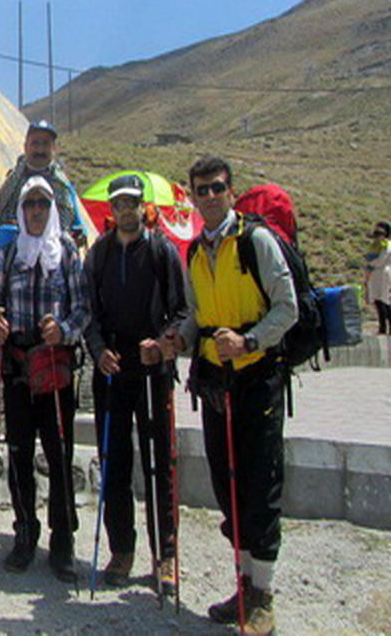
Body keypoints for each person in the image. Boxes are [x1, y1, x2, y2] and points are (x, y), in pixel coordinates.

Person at [163, 155, 297, 636]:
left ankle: (264, 597)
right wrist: (176, 338)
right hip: (217, 381)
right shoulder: (197, 250)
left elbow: (288, 309)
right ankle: (245, 587)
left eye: (218, 188)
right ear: (193, 195)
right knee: (228, 483)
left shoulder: (256, 242)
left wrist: (250, 342)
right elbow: (197, 312)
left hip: (257, 376)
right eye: (201, 189)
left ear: (230, 191)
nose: (211, 196)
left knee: (260, 484)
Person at [82, 174, 187, 592]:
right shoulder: (100, 254)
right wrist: (96, 350)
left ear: (145, 206)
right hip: (112, 366)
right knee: (115, 463)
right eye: (119, 203)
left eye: (132, 203)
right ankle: (121, 549)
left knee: (159, 462)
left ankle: (166, 554)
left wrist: (163, 344)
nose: (126, 210)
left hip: (151, 368)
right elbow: (87, 312)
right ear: (112, 208)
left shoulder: (162, 252)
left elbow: (181, 311)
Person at [0, 176, 91, 581]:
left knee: (59, 454)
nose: (35, 211)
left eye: (42, 204)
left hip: (55, 365)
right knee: (19, 454)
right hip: (17, 367)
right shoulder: (8, 255)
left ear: (52, 210)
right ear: (20, 208)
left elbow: (82, 308)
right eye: (29, 203)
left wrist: (63, 330)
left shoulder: (65, 254)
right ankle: (25, 531)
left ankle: (62, 540)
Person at [0, 120, 83, 237]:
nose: (40, 150)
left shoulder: (63, 186)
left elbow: (77, 226)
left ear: (54, 148)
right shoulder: (12, 183)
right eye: (35, 143)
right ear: (25, 147)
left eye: (45, 144)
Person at [364, 221, 391, 335]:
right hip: (376, 274)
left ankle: (384, 327)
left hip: (382, 273)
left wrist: (371, 264)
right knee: (378, 301)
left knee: (383, 301)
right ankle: (383, 326)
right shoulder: (376, 245)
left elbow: (381, 260)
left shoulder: (386, 245)